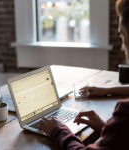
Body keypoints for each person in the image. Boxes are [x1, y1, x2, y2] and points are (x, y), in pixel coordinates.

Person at [38, 0, 129, 149]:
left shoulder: (125, 112)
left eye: (122, 35)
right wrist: (105, 128)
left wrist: (59, 130)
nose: (122, 45)